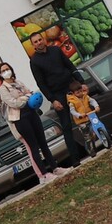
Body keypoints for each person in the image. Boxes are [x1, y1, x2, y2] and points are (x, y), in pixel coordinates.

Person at [27, 33, 92, 166]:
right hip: (58, 95)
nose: (39, 42)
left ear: (44, 40)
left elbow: (70, 66)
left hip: (72, 87)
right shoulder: (34, 61)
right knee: (67, 126)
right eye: (35, 42)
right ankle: (75, 159)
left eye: (40, 39)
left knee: (89, 115)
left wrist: (81, 82)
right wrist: (52, 100)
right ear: (33, 45)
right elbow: (41, 84)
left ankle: (104, 139)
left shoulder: (56, 50)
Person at [0, 61, 59, 181]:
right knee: (34, 147)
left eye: (7, 69)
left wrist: (25, 97)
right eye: (3, 71)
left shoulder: (18, 83)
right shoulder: (2, 89)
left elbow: (30, 92)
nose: (6, 72)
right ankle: (44, 174)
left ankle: (55, 168)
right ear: (0, 75)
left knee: (43, 143)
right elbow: (14, 103)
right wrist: (26, 97)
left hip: (32, 113)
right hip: (20, 119)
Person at [65, 81, 108, 152]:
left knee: (95, 130)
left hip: (90, 117)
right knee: (88, 137)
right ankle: (90, 149)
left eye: (81, 91)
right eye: (77, 92)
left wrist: (96, 106)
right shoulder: (72, 101)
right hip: (82, 122)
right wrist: (79, 115)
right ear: (73, 93)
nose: (80, 93)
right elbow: (72, 111)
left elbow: (92, 101)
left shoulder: (85, 96)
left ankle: (104, 138)